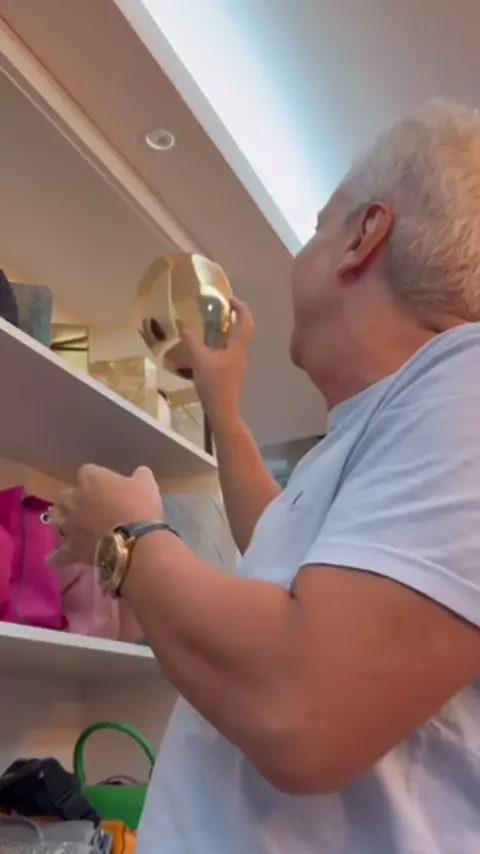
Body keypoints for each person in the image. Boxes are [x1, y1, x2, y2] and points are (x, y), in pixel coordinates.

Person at [53, 100, 480, 853]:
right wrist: (222, 401)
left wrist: (128, 539)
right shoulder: (396, 421)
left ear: (364, 236)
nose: (302, 250)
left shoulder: (467, 384)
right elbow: (278, 541)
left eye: (319, 225)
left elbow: (305, 705)